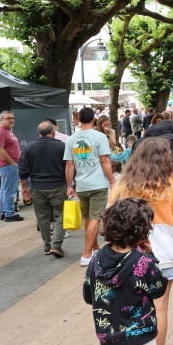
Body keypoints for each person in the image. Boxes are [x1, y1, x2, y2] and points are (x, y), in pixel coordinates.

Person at [109, 137, 173, 345]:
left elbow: (110, 215)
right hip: (164, 257)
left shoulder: (121, 185)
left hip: (127, 257)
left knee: (132, 307)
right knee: (160, 308)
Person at [83, 197, 168, 345]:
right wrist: (151, 258)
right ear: (141, 231)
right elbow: (159, 289)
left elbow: (89, 296)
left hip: (108, 337)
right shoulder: (143, 262)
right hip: (139, 336)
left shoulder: (96, 259)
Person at [65, 107, 116, 266]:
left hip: (81, 185)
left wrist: (69, 185)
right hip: (98, 184)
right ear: (94, 119)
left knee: (89, 218)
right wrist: (113, 181)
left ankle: (94, 249)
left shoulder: (71, 139)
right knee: (95, 218)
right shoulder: (100, 137)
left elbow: (69, 165)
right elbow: (105, 161)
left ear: (78, 119)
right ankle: (86, 254)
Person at [19, 121, 67, 257]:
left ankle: (47, 245)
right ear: (53, 132)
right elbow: (68, 167)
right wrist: (70, 184)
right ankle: (56, 245)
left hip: (38, 187)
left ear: (38, 133)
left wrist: (25, 188)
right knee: (60, 215)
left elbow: (23, 170)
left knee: (42, 217)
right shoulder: (61, 146)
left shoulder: (29, 147)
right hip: (58, 185)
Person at [134, 116, 173, 187]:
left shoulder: (138, 142)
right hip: (167, 184)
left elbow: (133, 165)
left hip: (141, 184)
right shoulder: (172, 139)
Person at [0, 110, 23, 222]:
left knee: (5, 190)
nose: (11, 120)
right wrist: (12, 163)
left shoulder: (7, 131)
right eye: (8, 118)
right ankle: (9, 214)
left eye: (12, 118)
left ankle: (4, 212)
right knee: (9, 190)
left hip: (8, 165)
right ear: (1, 120)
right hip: (7, 165)